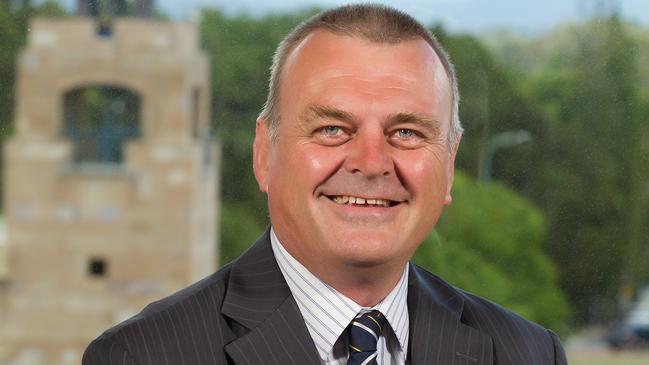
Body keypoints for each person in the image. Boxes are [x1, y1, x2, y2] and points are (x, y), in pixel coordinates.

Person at [83, 4, 568, 364]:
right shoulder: (143, 355)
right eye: (332, 129)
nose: (372, 162)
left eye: (407, 132)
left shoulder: (527, 353)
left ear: (448, 163)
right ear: (265, 153)